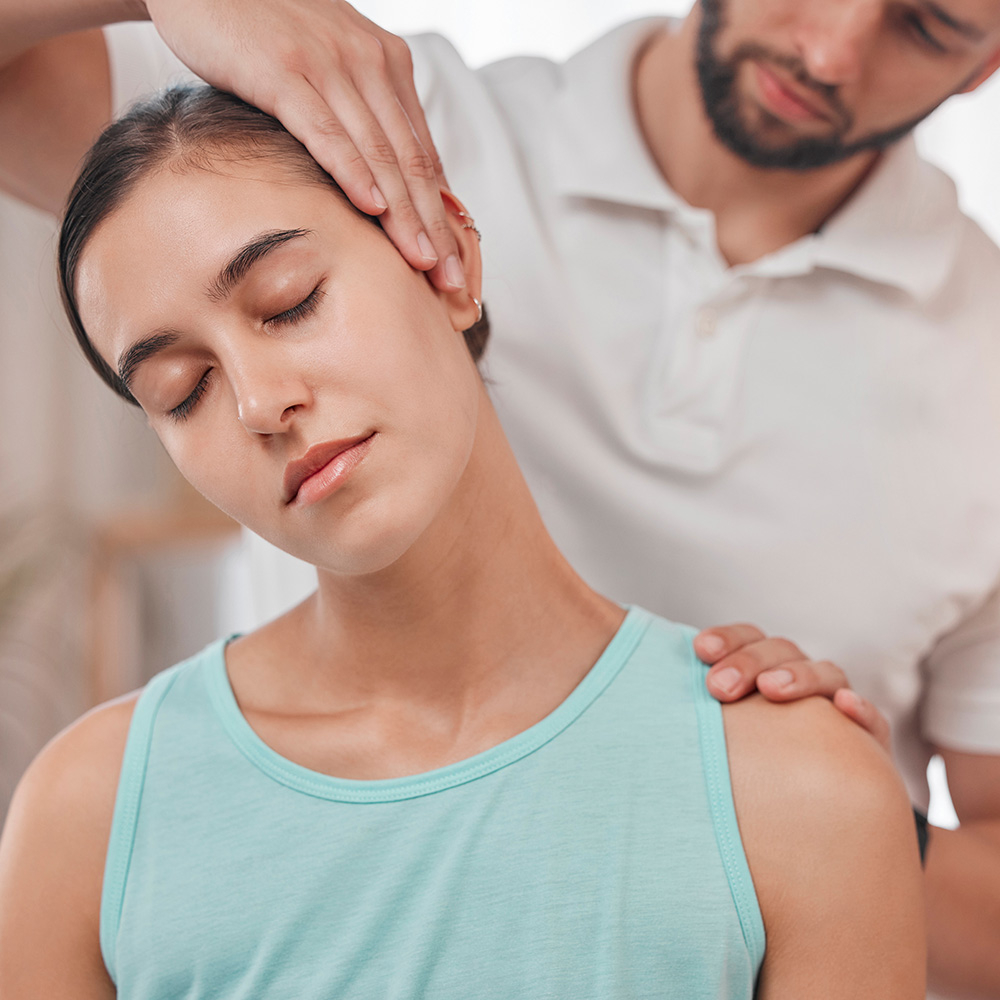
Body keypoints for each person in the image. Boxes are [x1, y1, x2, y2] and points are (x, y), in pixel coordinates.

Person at [0, 0, 998, 993]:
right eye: (179, 392)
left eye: (292, 302)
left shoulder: (794, 782)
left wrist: (816, 809)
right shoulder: (382, 121)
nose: (826, 50)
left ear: (453, 263)